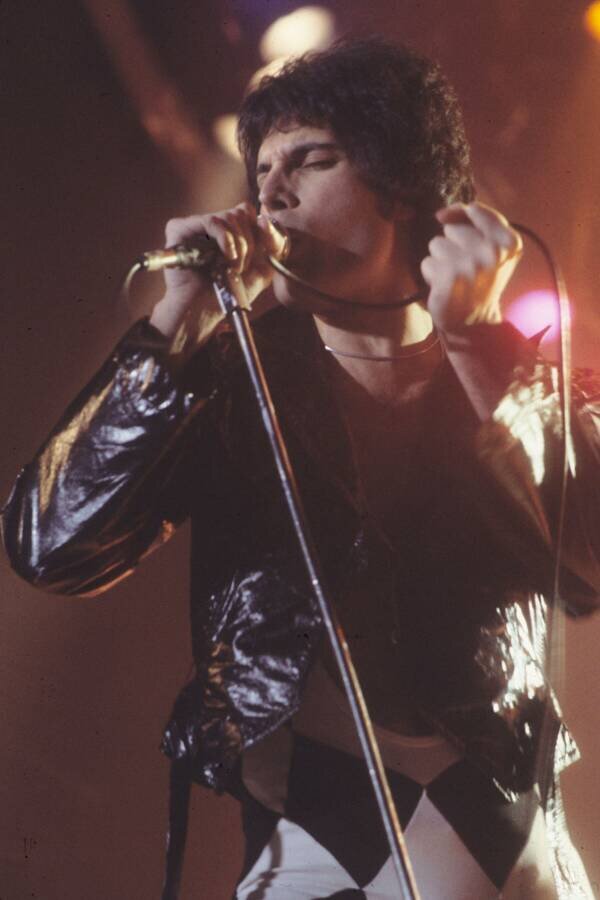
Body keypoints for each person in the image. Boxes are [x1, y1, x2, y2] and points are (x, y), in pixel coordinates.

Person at [2, 37, 598, 900]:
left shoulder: (523, 381)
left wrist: (480, 344)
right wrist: (174, 325)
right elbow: (49, 545)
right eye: (262, 170)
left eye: (311, 161)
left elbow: (588, 562)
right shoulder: (226, 383)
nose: (270, 193)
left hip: (522, 861)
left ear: (406, 188)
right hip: (313, 858)